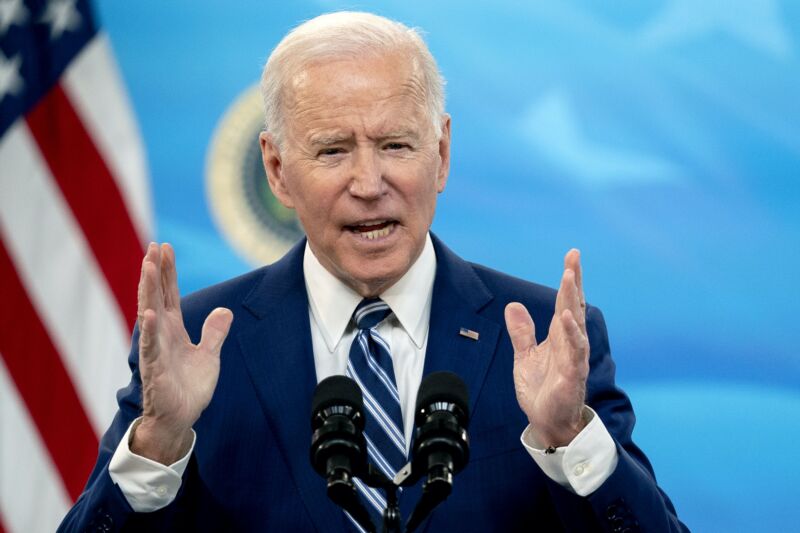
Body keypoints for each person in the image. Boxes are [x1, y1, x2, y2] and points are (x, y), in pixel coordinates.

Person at [59, 12, 687, 532]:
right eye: (333, 150)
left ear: (440, 154)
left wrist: (571, 439)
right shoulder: (199, 341)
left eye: (396, 146)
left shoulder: (545, 335)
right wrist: (159, 444)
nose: (369, 184)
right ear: (277, 170)